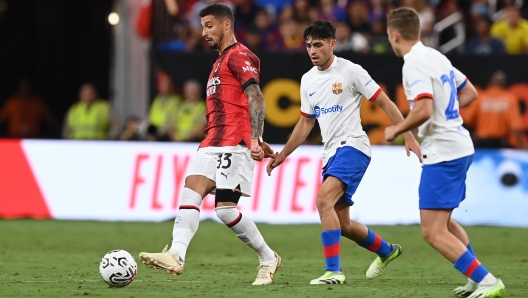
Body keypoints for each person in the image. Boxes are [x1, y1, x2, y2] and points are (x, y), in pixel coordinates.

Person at [267, 20, 421, 285]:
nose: (312, 50)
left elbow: (384, 101)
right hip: (331, 154)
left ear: (332, 44)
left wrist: (408, 134)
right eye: (308, 46)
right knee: (343, 224)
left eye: (318, 45)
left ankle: (334, 272)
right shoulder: (307, 80)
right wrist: (283, 154)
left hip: (354, 146)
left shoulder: (351, 71)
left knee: (323, 200)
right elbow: (306, 122)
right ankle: (387, 251)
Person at [139, 3, 282, 286]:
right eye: (202, 26)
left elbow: (256, 97)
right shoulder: (218, 61)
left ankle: (268, 257)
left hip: (234, 142)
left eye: (209, 26)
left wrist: (255, 138)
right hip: (211, 141)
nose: (203, 32)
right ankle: (177, 255)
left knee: (225, 210)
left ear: (226, 25)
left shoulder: (240, 56)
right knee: (189, 194)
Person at [384, 7, 505, 298]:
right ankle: (475, 277)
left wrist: (397, 129)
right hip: (459, 147)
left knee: (432, 231)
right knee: (445, 221)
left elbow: (424, 109)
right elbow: (470, 92)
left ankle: (487, 280)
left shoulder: (412, 64)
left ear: (394, 35)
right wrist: (445, 116)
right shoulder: (436, 56)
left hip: (444, 152)